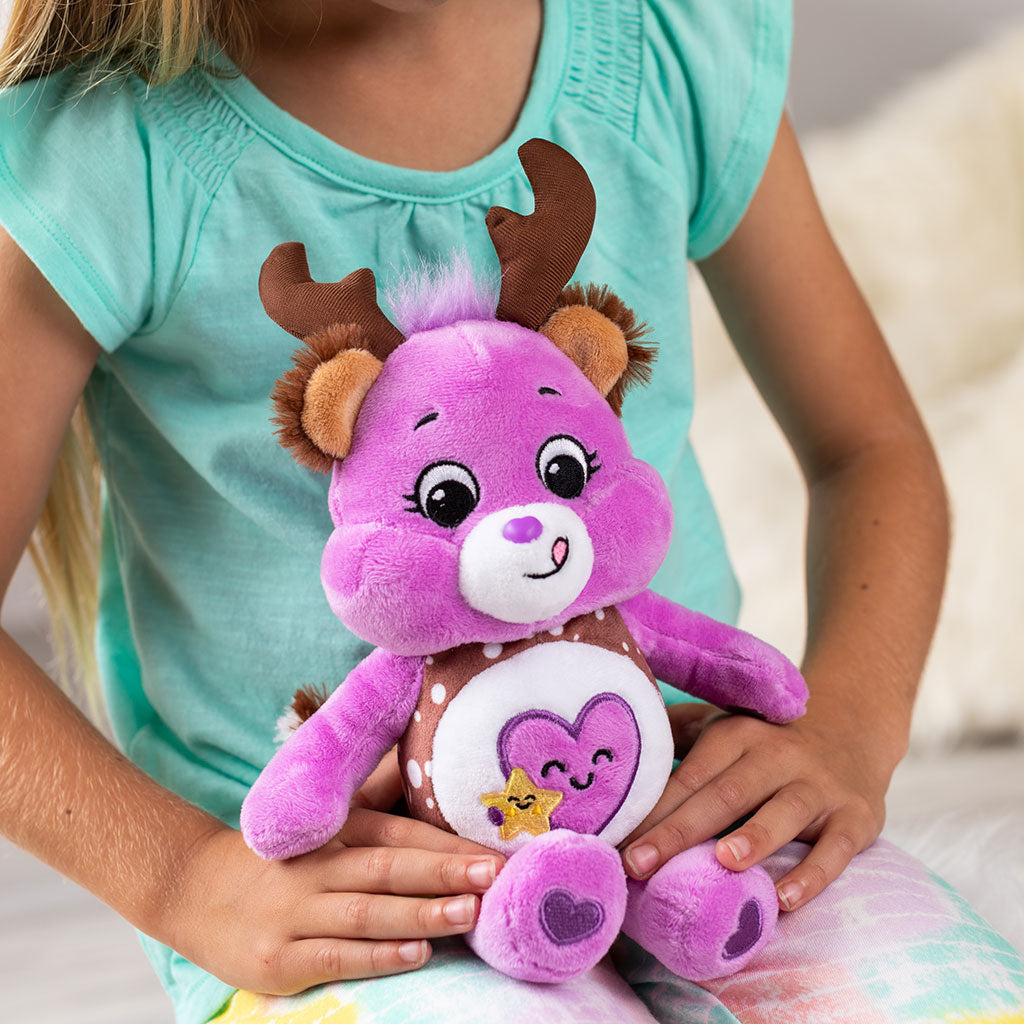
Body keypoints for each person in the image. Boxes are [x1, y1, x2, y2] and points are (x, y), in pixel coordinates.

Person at [1, 1, 1021, 1022]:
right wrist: (185, 879)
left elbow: (867, 449)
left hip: (687, 807)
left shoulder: (663, 35)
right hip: (339, 899)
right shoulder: (106, 145)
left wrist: (846, 728)